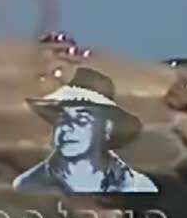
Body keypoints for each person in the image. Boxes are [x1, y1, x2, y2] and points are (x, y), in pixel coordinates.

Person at [12, 67, 158, 194]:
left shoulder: (138, 188)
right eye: (62, 118)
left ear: (107, 127)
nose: (68, 127)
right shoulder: (27, 187)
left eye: (82, 119)